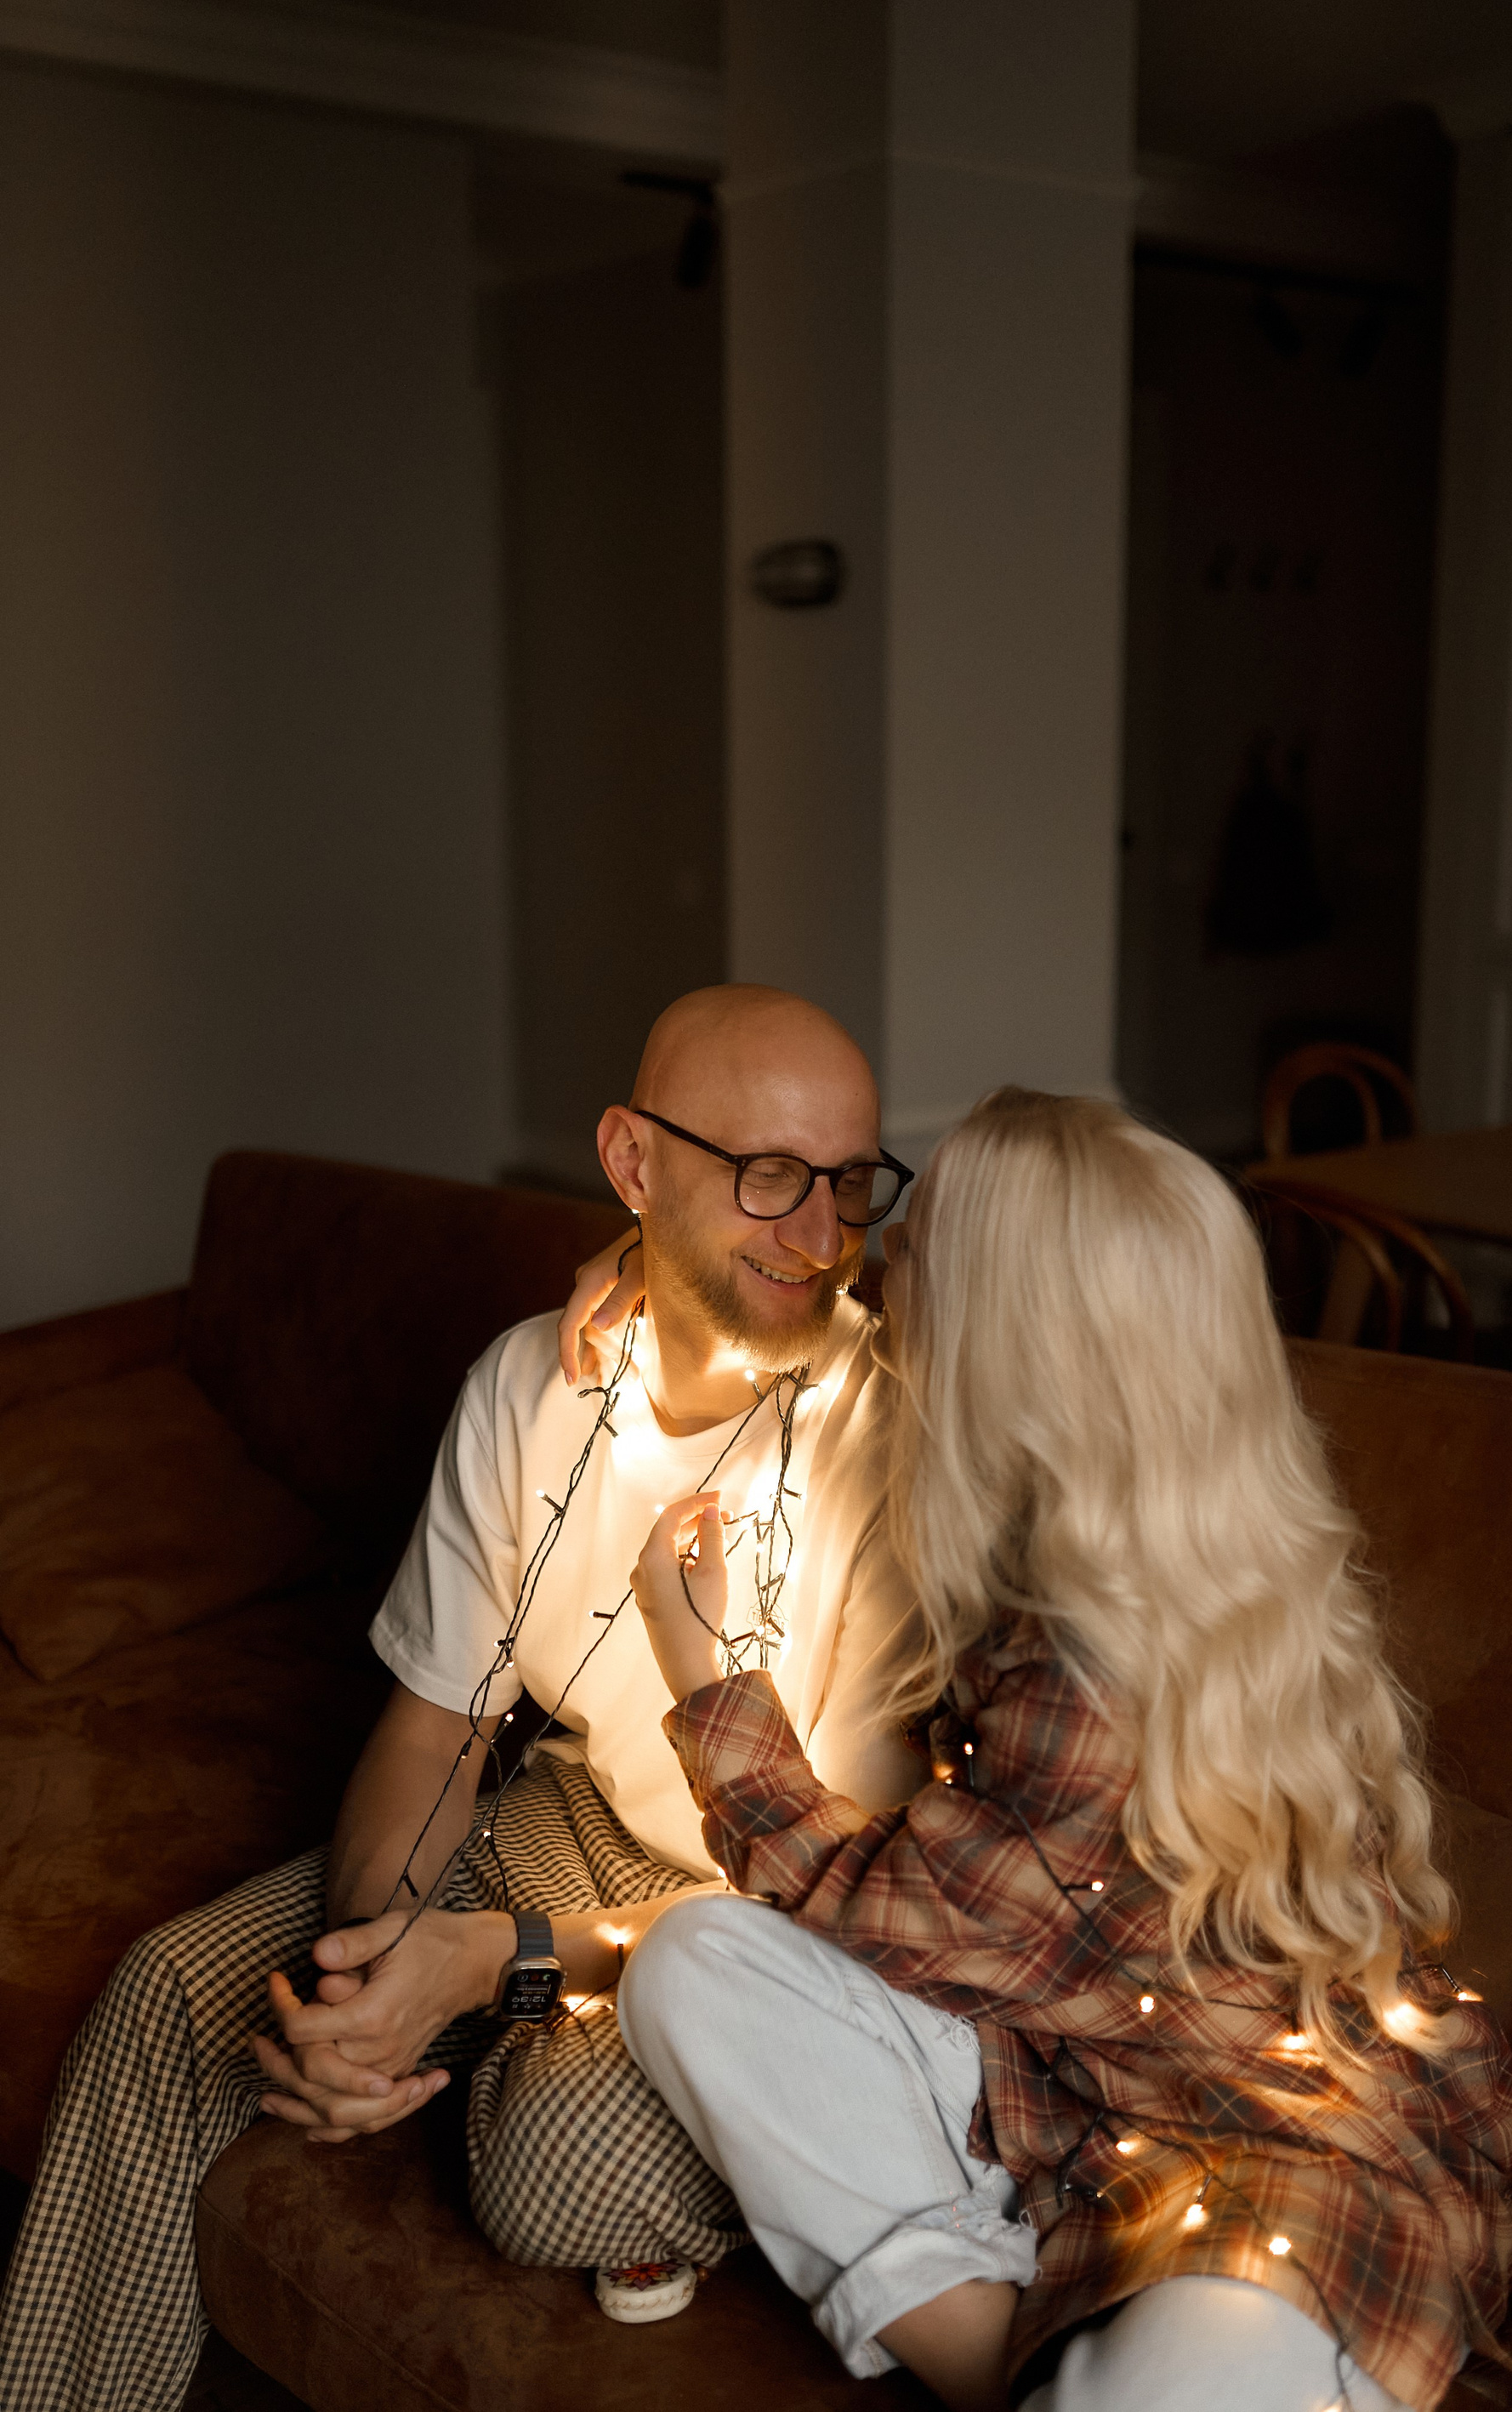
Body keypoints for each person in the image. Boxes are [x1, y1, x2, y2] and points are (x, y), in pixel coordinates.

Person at [0, 984, 928, 2411]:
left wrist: (495, 1963)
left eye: (849, 1180)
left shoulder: (895, 1439)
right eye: (767, 1174)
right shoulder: (531, 1387)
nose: (819, 1232)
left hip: (777, 1923)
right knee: (177, 1995)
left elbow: (838, 1903)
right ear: (632, 1162)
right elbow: (438, 1723)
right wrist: (371, 1962)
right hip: (573, 1817)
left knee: (549, 2157)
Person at [617, 1088, 1512, 2412]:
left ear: (997, 1341)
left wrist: (709, 1679)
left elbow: (880, 1902)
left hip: (1270, 2166)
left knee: (1196, 2361)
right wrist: (636, 1264)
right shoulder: (1154, 1534)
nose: (874, 1259)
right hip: (1057, 2075)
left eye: (912, 1245)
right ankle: (1025, 2353)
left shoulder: (1088, 1667)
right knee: (697, 1961)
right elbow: (773, 1303)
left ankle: (1098, 2363)